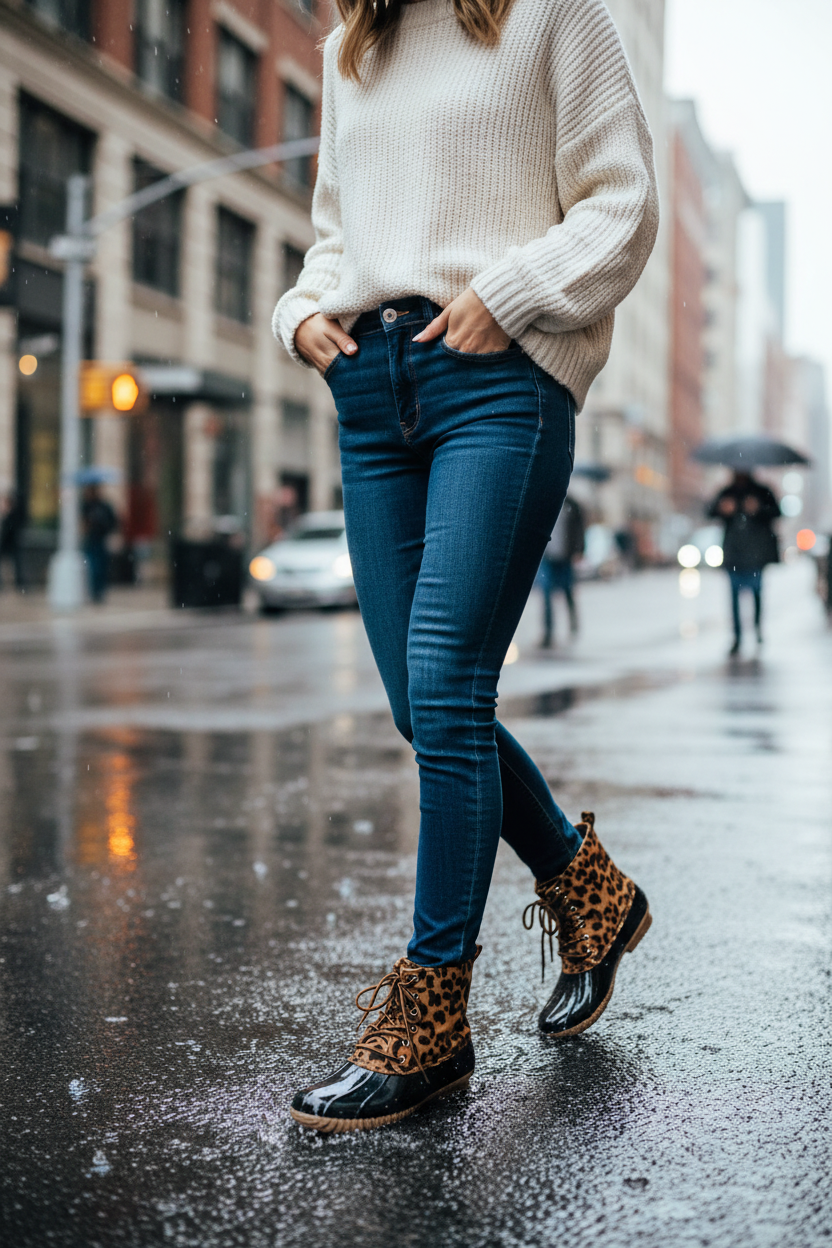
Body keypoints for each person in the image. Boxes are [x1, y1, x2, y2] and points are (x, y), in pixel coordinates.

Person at [274, 0, 659, 1133]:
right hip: (368, 390)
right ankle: (593, 896)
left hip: (496, 381)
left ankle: (430, 1018)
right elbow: (335, 229)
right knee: (418, 704)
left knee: (446, 686)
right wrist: (303, 314)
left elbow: (620, 201)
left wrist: (510, 294)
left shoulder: (552, 16)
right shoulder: (356, 43)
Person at [707, 470, 780, 656]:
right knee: (734, 597)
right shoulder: (727, 493)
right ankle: (737, 637)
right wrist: (723, 509)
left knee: (756, 594)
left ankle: (757, 630)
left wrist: (758, 509)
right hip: (734, 554)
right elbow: (709, 512)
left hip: (756, 554)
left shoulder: (762, 492)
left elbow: (776, 512)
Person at [539, 494, 585, 646]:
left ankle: (573, 625)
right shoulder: (544, 501)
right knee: (546, 594)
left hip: (565, 556)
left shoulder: (571, 504)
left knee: (568, 592)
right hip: (547, 556)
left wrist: (578, 550)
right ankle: (548, 633)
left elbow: (579, 529)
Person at [81, 484, 118, 603]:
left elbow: (113, 522)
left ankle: (100, 591)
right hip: (91, 540)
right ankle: (94, 592)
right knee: (93, 567)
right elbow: (83, 523)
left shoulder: (104, 506)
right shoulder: (86, 506)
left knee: (101, 567)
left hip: (101, 540)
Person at [0, 490, 25, 591]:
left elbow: (11, 529)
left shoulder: (14, 515)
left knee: (17, 564)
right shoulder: (8, 514)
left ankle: (20, 584)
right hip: (6, 543)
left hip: (11, 543)